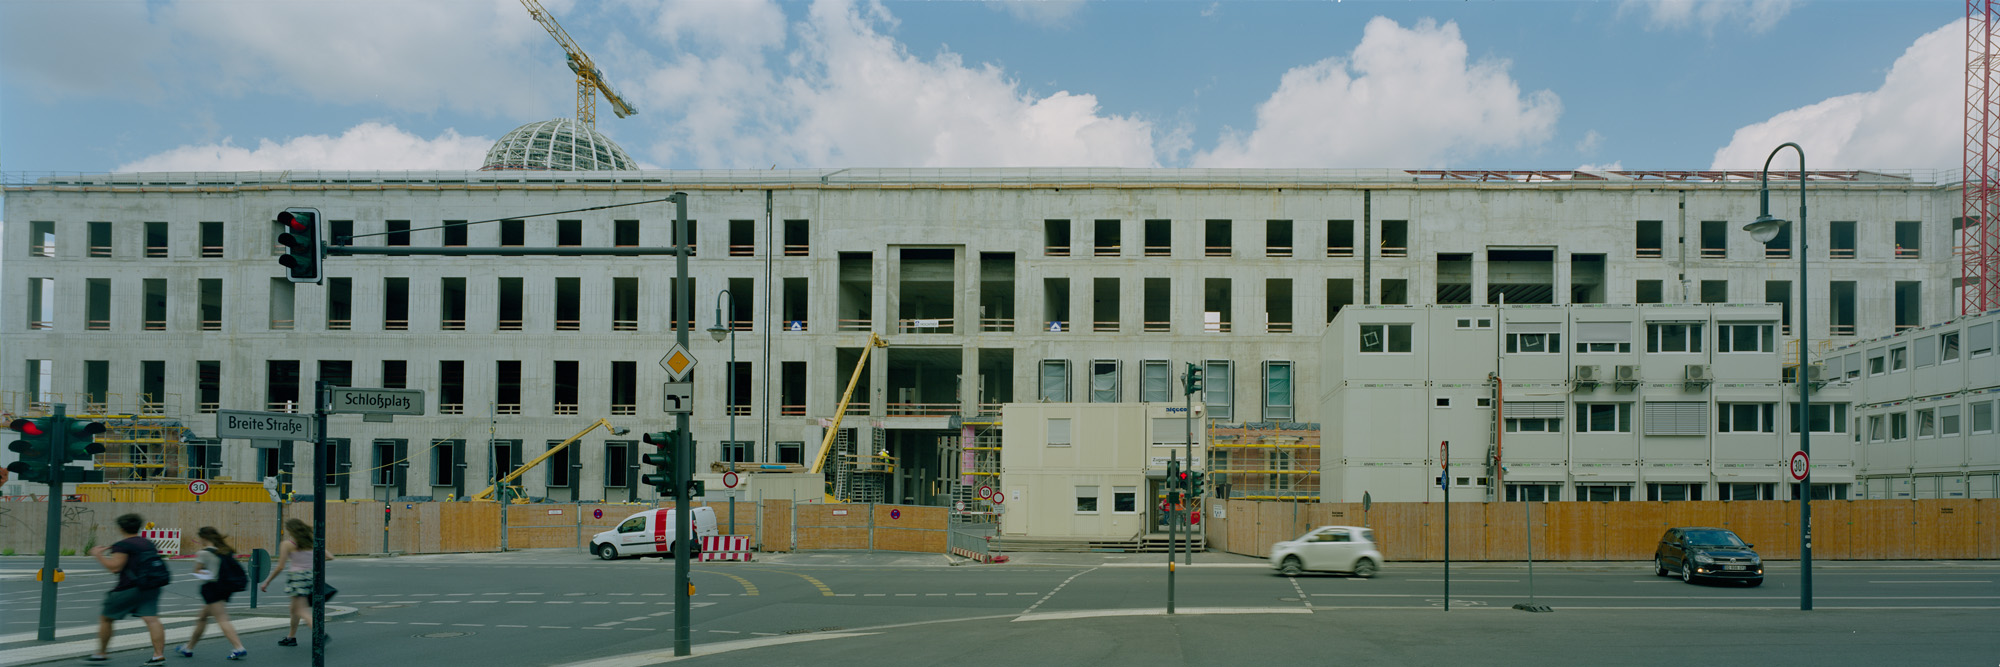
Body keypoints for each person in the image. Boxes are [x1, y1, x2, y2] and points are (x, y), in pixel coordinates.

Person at [89, 513, 166, 665]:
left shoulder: (122, 545)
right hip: (151, 586)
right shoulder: (147, 543)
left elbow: (115, 567)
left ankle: (101, 653)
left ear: (121, 528)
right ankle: (158, 655)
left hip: (129, 587)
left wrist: (98, 555)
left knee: (106, 617)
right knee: (152, 619)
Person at [177, 527, 248, 660]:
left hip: (212, 589)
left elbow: (197, 570)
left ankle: (239, 647)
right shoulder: (224, 551)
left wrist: (203, 572)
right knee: (202, 618)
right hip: (224, 588)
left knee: (222, 618)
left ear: (204, 538)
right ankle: (188, 647)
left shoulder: (203, 553)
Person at [259, 518, 327, 647]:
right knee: (294, 609)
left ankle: (319, 633)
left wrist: (267, 581)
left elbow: (280, 566)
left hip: (296, 578)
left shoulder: (287, 544)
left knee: (301, 610)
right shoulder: (311, 542)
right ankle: (291, 637)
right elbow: (329, 556)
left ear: (290, 530)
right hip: (310, 576)